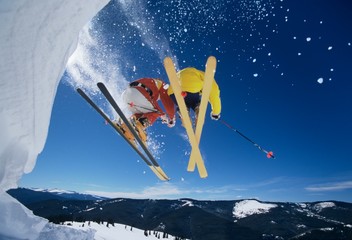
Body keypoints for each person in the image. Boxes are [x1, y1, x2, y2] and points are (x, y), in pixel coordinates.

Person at [117, 78, 176, 145]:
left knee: (141, 113)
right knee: (157, 112)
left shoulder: (150, 82)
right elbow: (167, 103)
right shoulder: (163, 85)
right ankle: (140, 125)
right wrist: (171, 118)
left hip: (125, 96)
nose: (158, 99)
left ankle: (125, 127)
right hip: (137, 94)